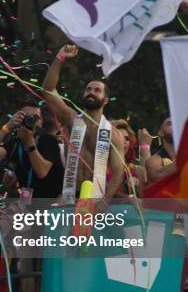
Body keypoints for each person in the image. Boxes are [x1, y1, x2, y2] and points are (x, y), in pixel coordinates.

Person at [40, 44, 125, 202]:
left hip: (97, 198)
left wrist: (105, 201)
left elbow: (118, 172)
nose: (91, 92)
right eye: (88, 89)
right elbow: (47, 91)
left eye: (97, 90)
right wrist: (60, 58)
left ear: (105, 99)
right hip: (69, 195)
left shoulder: (114, 134)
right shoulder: (70, 118)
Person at [0, 99, 64, 199]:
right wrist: (6, 128)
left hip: (52, 205)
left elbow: (42, 172)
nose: (32, 121)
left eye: (36, 118)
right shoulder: (16, 142)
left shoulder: (48, 140)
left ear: (42, 121)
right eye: (27, 118)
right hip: (28, 206)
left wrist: (29, 142)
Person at [110, 119, 147, 197]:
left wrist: (136, 189)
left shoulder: (139, 171)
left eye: (127, 138)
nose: (124, 142)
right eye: (119, 137)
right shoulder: (97, 168)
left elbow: (144, 202)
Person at [145, 117, 176, 185]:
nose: (175, 126)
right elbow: (156, 176)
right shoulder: (154, 160)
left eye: (177, 123)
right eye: (170, 123)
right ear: (160, 132)